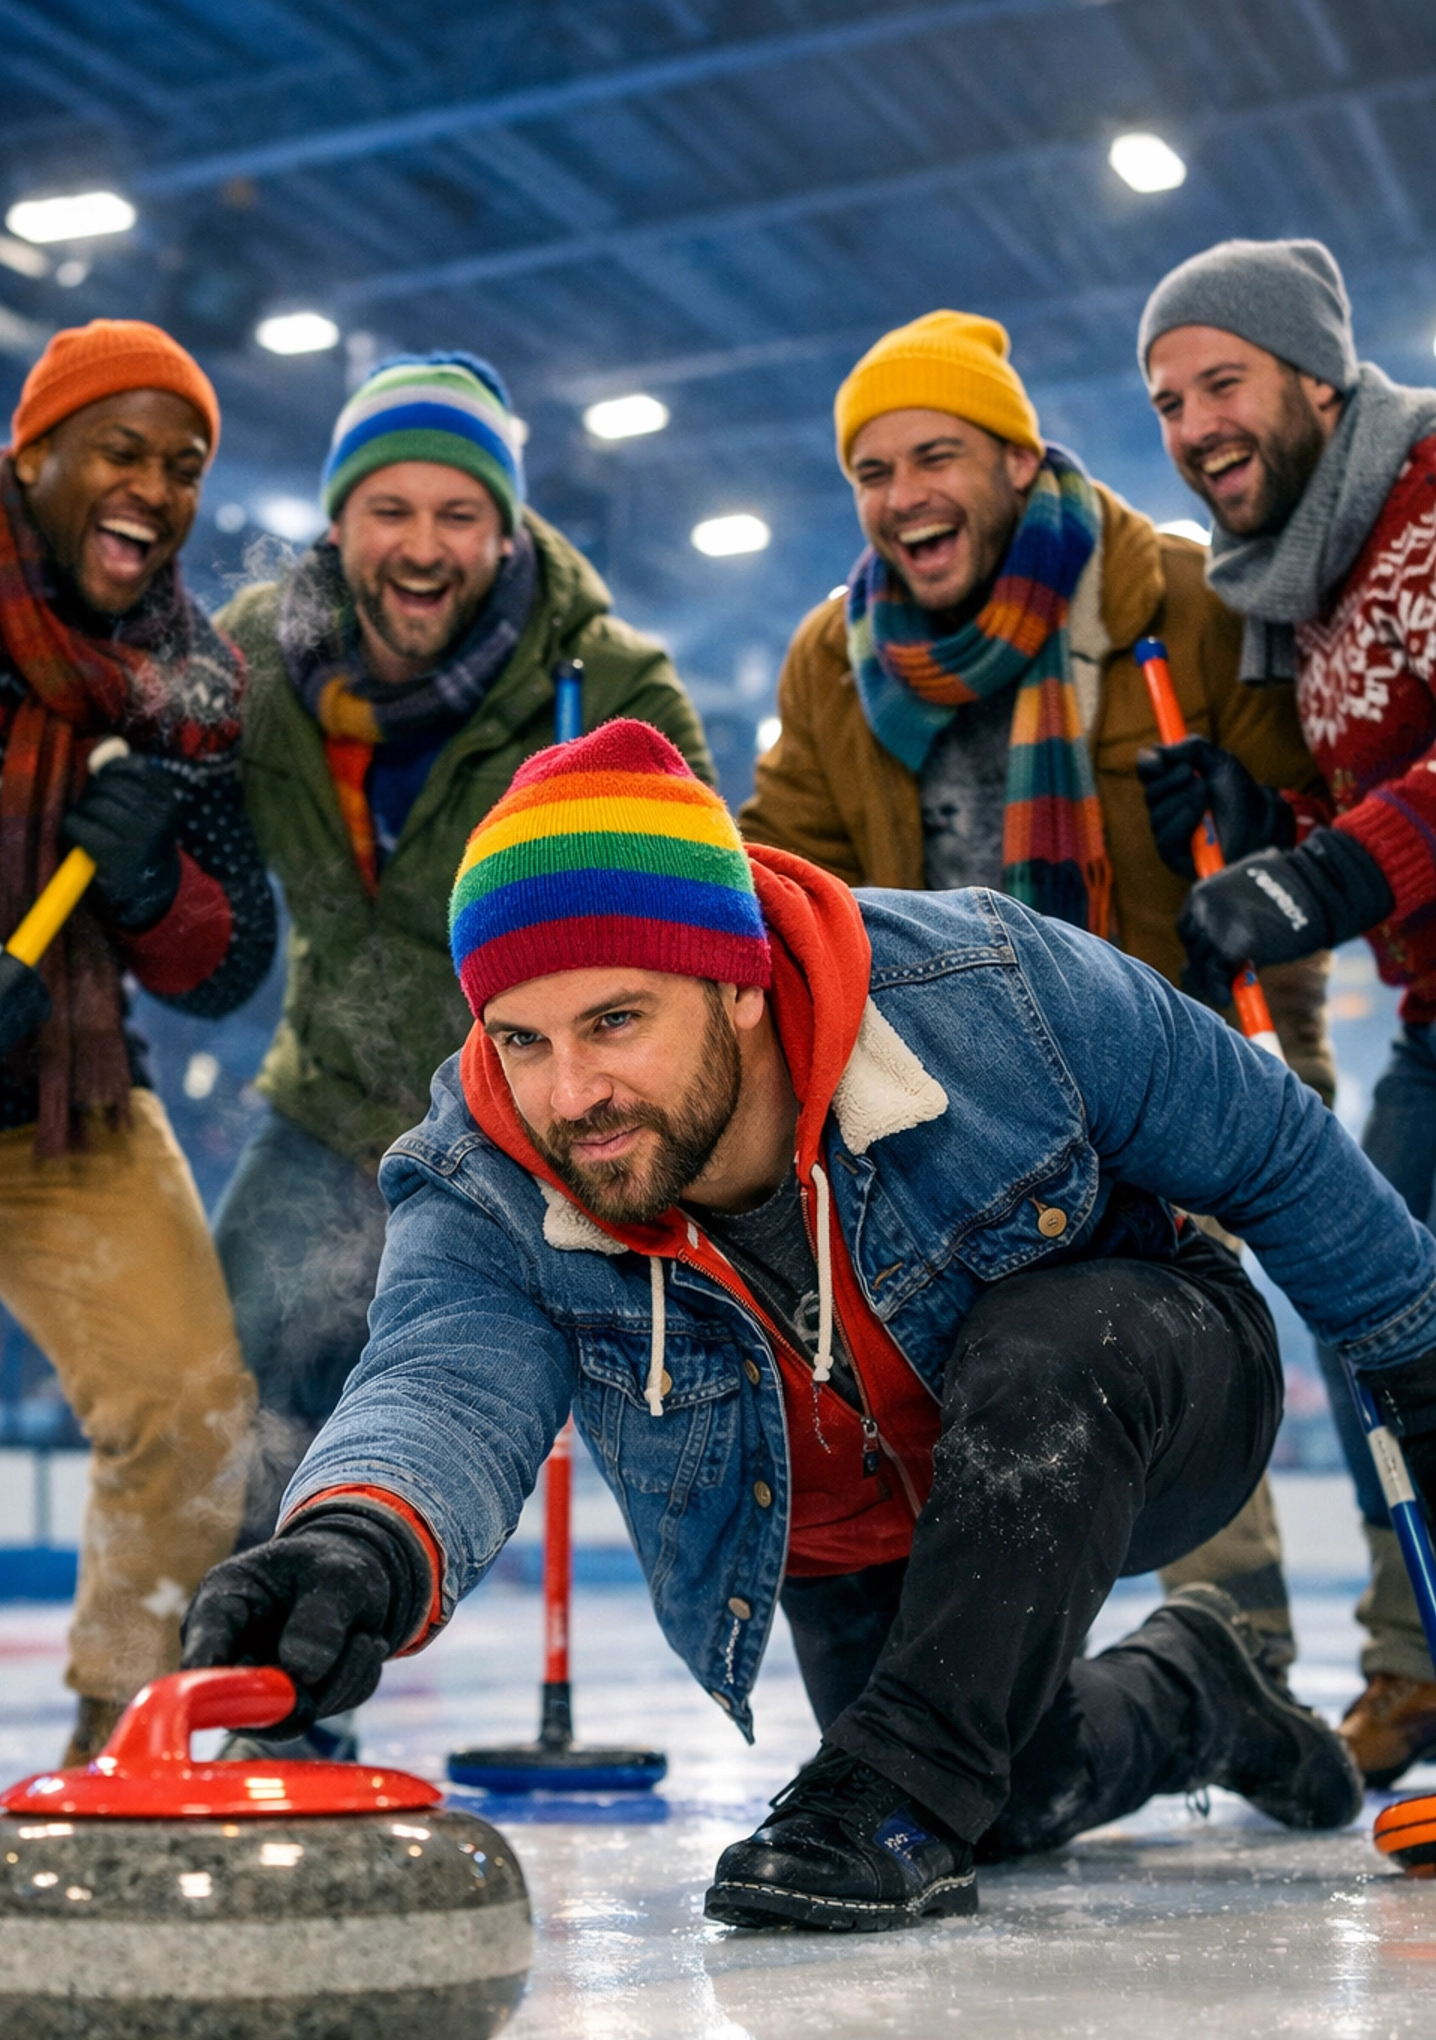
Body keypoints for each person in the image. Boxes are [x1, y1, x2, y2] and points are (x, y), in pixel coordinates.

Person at [185, 719, 1436, 1934]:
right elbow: (442, 1382)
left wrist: (1419, 1354)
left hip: (1139, 1399)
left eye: (615, 1021)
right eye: (522, 1039)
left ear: (734, 982)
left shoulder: (991, 990)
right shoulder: (486, 1170)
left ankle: (901, 1788)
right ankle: (1192, 1693)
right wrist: (361, 1538)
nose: (570, 1095)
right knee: (1006, 1791)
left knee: (936, 1714)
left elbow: (1271, 1144)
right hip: (856, 1536)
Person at [738, 308, 1333, 1681]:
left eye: (934, 456)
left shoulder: (1169, 598)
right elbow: (790, 867)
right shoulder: (835, 662)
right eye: (872, 473)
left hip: (1172, 1030)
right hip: (959, 1069)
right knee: (975, 1358)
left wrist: (1256, 813)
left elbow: (1317, 797)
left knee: (1187, 1318)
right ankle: (1002, 1667)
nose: (902, 498)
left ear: (1015, 460)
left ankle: (1239, 1654)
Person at [210, 353, 713, 1713]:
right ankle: (246, 1701)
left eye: (457, 512)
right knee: (236, 1391)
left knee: (479, 1380)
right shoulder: (255, 660)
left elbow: (708, 912)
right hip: (325, 1097)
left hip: (518, 1115)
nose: (423, 546)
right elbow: (178, 837)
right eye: (390, 510)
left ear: (504, 529)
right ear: (340, 525)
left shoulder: (604, 679)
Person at [0, 319, 275, 1762]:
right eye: (121, 449)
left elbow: (228, 960)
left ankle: (124, 1744)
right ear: (35, 445)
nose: (155, 488)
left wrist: (144, 884)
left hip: (46, 1096)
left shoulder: (189, 682)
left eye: (182, 466)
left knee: (192, 1409)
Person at [1138, 237, 1436, 1786]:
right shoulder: (1298, 578)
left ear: (1316, 377)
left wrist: (1327, 874)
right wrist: (1272, 807)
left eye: (1222, 382)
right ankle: (1419, 1664)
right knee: (1396, 1337)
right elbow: (1361, 780)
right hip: (1434, 1020)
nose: (1191, 425)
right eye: (1169, 400)